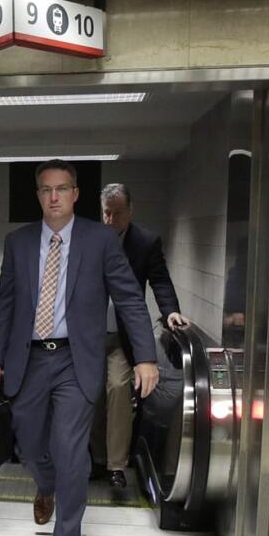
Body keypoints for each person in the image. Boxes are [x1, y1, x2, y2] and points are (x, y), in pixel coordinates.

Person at [0, 160, 159, 536]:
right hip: (27, 359)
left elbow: (129, 299)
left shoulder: (100, 240)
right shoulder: (18, 242)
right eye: (47, 190)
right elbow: (5, 303)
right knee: (28, 443)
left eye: (63, 188)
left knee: (70, 451)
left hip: (75, 360)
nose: (55, 196)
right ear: (39, 196)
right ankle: (44, 486)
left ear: (76, 193)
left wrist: (145, 357)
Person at [95, 183, 189, 489]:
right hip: (88, 336)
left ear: (130, 211)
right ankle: (90, 458)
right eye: (106, 213)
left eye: (117, 213)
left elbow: (159, 280)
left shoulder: (145, 242)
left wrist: (170, 310)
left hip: (123, 338)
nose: (110, 220)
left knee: (120, 388)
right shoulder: (87, 241)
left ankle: (116, 465)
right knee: (87, 394)